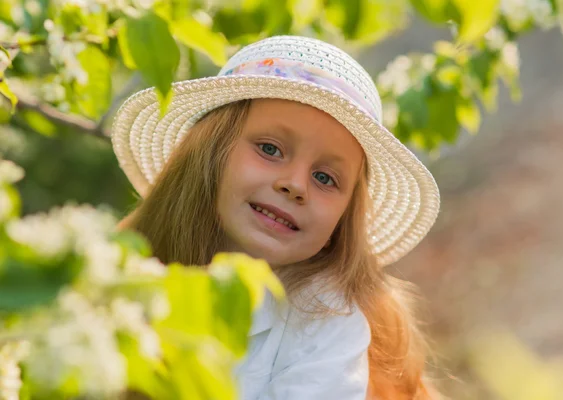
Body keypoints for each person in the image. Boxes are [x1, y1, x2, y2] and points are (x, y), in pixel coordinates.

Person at [112, 35, 441, 399]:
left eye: (325, 178)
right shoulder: (118, 272)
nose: (295, 185)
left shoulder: (324, 321)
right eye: (270, 149)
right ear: (209, 152)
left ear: (343, 219)